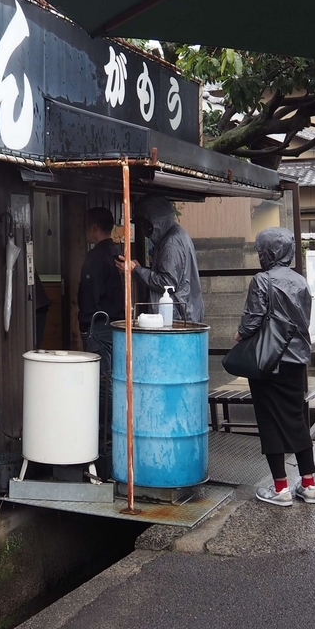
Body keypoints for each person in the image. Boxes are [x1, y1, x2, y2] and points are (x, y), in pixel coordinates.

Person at [237, 228, 315, 507]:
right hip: (296, 361)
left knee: (269, 421)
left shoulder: (262, 280)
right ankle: (309, 484)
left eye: (261, 250)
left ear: (267, 252)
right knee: (296, 419)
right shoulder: (301, 281)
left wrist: (240, 334)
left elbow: (251, 321)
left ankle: (280, 488)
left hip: (268, 361)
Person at [78, 207, 126, 479]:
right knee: (114, 378)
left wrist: (85, 326)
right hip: (119, 324)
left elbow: (88, 295)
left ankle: (105, 434)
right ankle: (114, 429)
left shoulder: (95, 257)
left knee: (102, 380)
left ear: (95, 228)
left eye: (88, 227)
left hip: (100, 324)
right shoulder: (119, 253)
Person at [122, 194, 204, 322]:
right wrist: (140, 269)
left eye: (144, 225)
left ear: (154, 223)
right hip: (184, 312)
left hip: (175, 315)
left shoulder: (170, 243)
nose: (143, 232)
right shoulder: (178, 234)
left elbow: (168, 282)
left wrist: (136, 270)